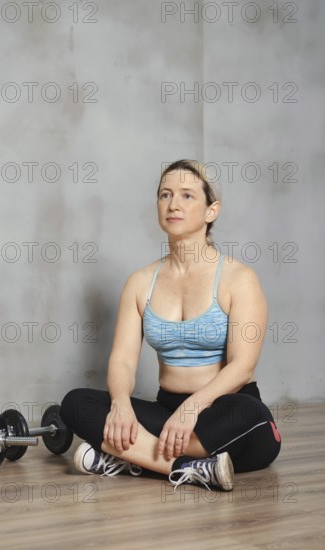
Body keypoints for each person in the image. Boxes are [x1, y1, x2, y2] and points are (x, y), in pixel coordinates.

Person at [60, 159, 281, 492]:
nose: (173, 204)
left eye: (187, 196)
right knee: (76, 403)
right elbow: (121, 359)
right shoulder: (140, 282)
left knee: (252, 413)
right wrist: (121, 404)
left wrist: (193, 408)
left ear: (212, 210)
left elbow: (243, 368)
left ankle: (129, 459)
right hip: (167, 413)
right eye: (165, 195)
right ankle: (190, 468)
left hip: (223, 412)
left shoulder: (239, 279)